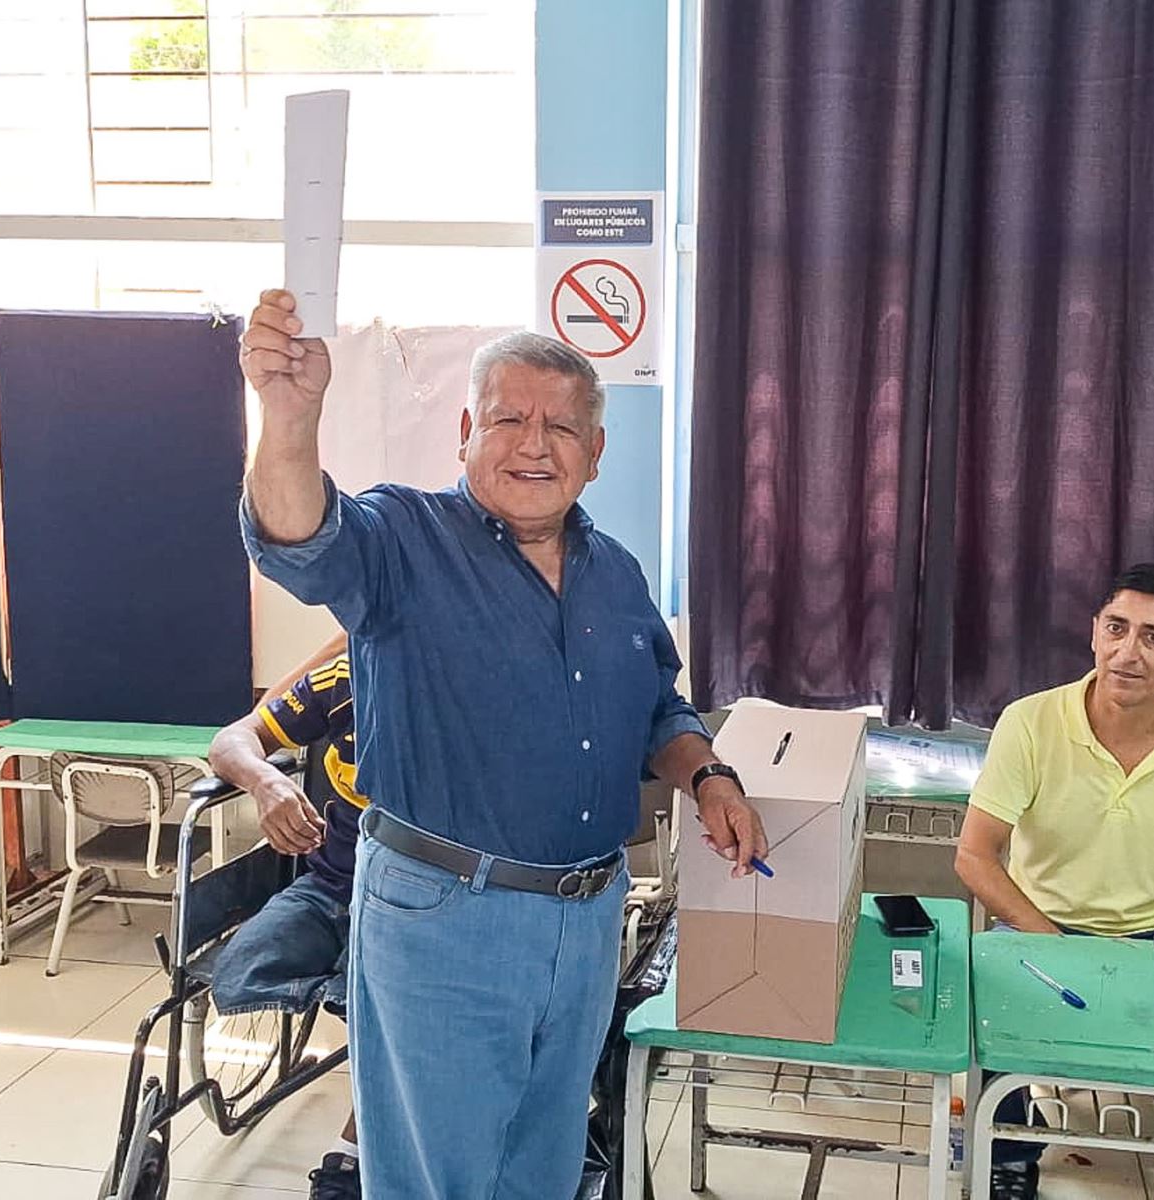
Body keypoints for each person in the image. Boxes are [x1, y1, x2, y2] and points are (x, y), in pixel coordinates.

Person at [236, 289, 768, 1199]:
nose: (534, 444)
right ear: (465, 430)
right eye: (509, 418)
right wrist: (289, 417)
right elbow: (299, 536)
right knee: (439, 1175)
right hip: (444, 912)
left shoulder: (616, 573)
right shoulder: (403, 539)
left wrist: (708, 774)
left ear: (595, 455)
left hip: (589, 913)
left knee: (546, 1161)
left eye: (562, 427)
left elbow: (657, 710)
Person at [955, 563, 1154, 1200]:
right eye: (1116, 628)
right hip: (1043, 933)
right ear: (1094, 632)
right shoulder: (1030, 722)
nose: (1128, 652)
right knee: (990, 1028)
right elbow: (976, 857)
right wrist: (1055, 945)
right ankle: (1008, 1162)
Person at [207, 634, 361, 1199]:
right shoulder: (338, 679)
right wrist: (266, 780)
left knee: (390, 1000)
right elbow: (233, 739)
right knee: (239, 967)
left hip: (424, 903)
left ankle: (353, 1151)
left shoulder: (472, 685)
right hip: (328, 887)